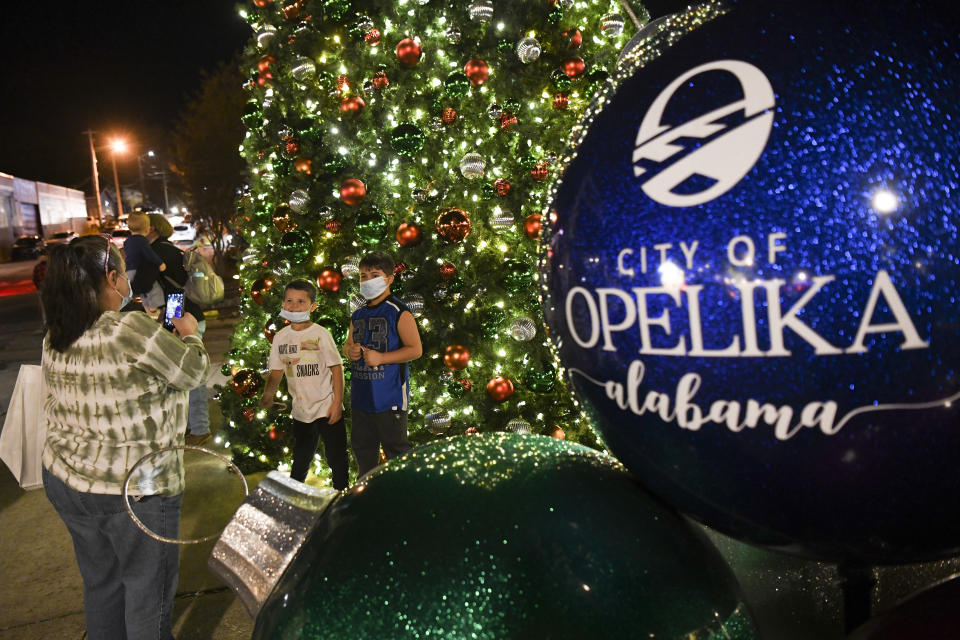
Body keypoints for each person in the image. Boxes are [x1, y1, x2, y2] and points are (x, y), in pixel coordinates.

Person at [40, 235, 209, 640]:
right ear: (112, 277)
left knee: (103, 585)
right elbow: (191, 372)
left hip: (67, 479)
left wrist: (150, 330)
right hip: (135, 489)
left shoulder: (57, 331)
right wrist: (188, 334)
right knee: (147, 596)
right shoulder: (128, 328)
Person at [259, 279, 348, 489]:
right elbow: (276, 372)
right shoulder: (281, 338)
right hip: (300, 411)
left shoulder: (320, 334)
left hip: (327, 408)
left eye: (301, 301)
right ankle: (295, 493)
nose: (294, 306)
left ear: (312, 306)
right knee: (301, 457)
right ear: (283, 304)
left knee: (336, 457)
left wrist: (337, 404)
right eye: (289, 300)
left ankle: (341, 495)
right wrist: (268, 395)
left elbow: (337, 369)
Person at [132, 213, 212, 446]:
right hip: (187, 313)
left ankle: (199, 427)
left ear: (153, 229)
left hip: (181, 316)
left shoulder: (154, 252)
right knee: (181, 372)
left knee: (190, 373)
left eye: (141, 227)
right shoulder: (170, 249)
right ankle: (192, 426)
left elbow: (142, 284)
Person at [342, 251, 423, 476]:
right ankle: (366, 499)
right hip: (361, 399)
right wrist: (351, 351)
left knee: (397, 455)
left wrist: (382, 358)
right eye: (363, 275)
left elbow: (415, 350)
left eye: (374, 275)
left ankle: (403, 498)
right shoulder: (357, 314)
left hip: (390, 400)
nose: (367, 280)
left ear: (389, 279)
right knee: (363, 453)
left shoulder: (398, 312)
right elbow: (347, 345)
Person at [123, 211, 166, 310]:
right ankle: (153, 308)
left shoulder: (127, 241)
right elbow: (149, 254)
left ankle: (147, 307)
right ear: (148, 229)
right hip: (139, 270)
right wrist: (160, 263)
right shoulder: (143, 241)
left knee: (141, 291)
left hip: (129, 270)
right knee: (153, 289)